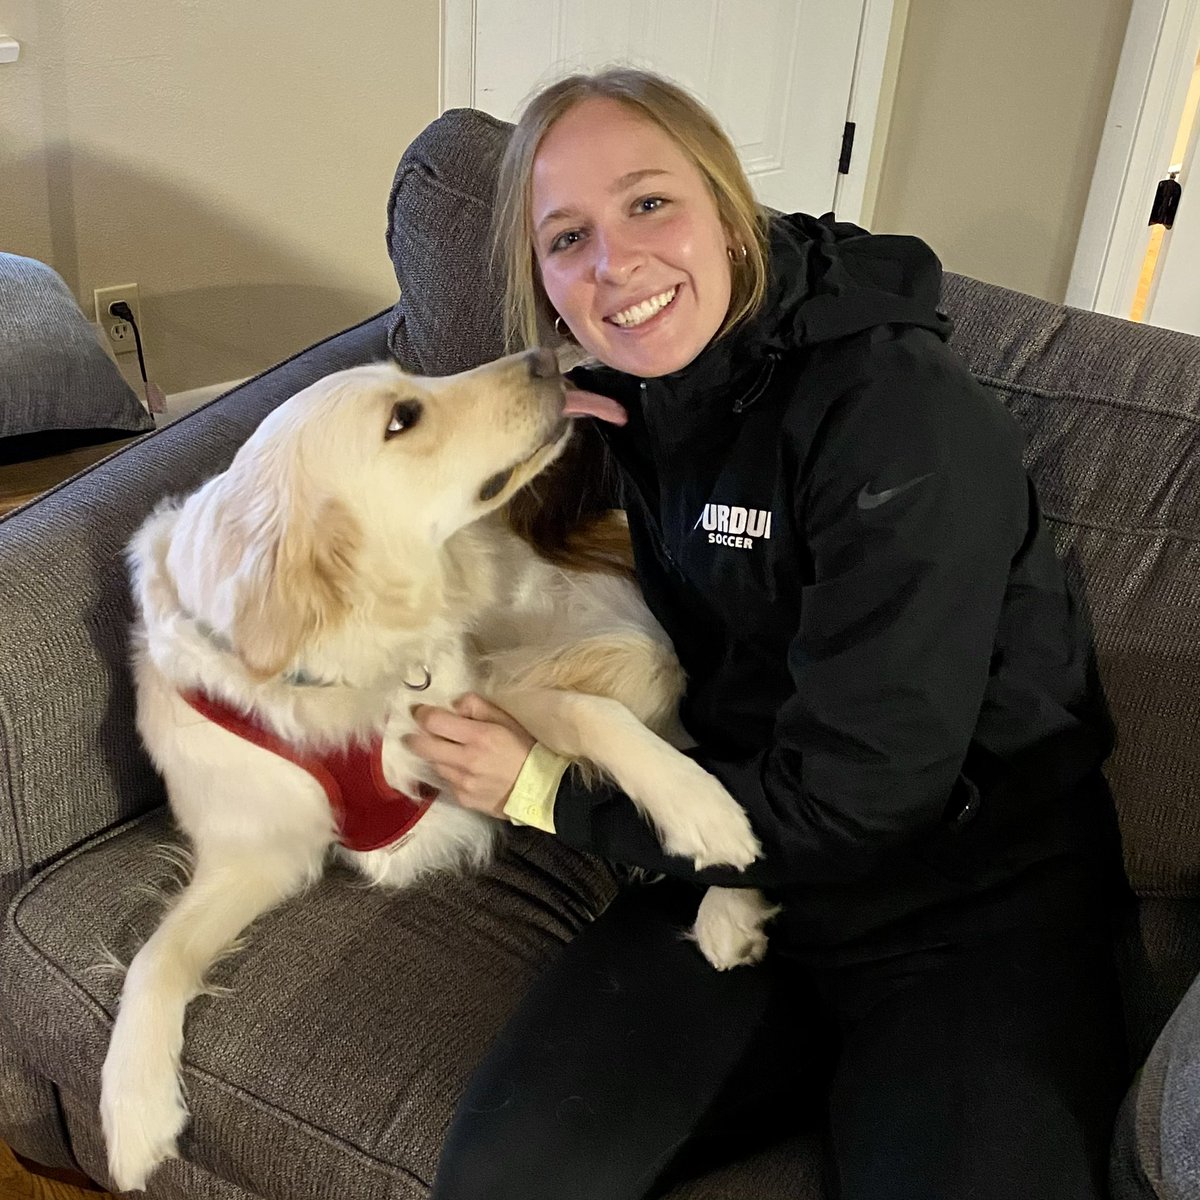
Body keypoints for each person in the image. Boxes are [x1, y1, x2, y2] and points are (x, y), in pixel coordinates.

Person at [406, 67, 1131, 1200]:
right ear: (544, 285)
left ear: (728, 209)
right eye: (568, 239)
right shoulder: (640, 381)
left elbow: (859, 801)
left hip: (972, 906)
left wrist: (550, 791)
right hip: (745, 870)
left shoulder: (896, 416)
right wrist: (527, 400)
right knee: (504, 1181)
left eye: (651, 203)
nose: (616, 264)